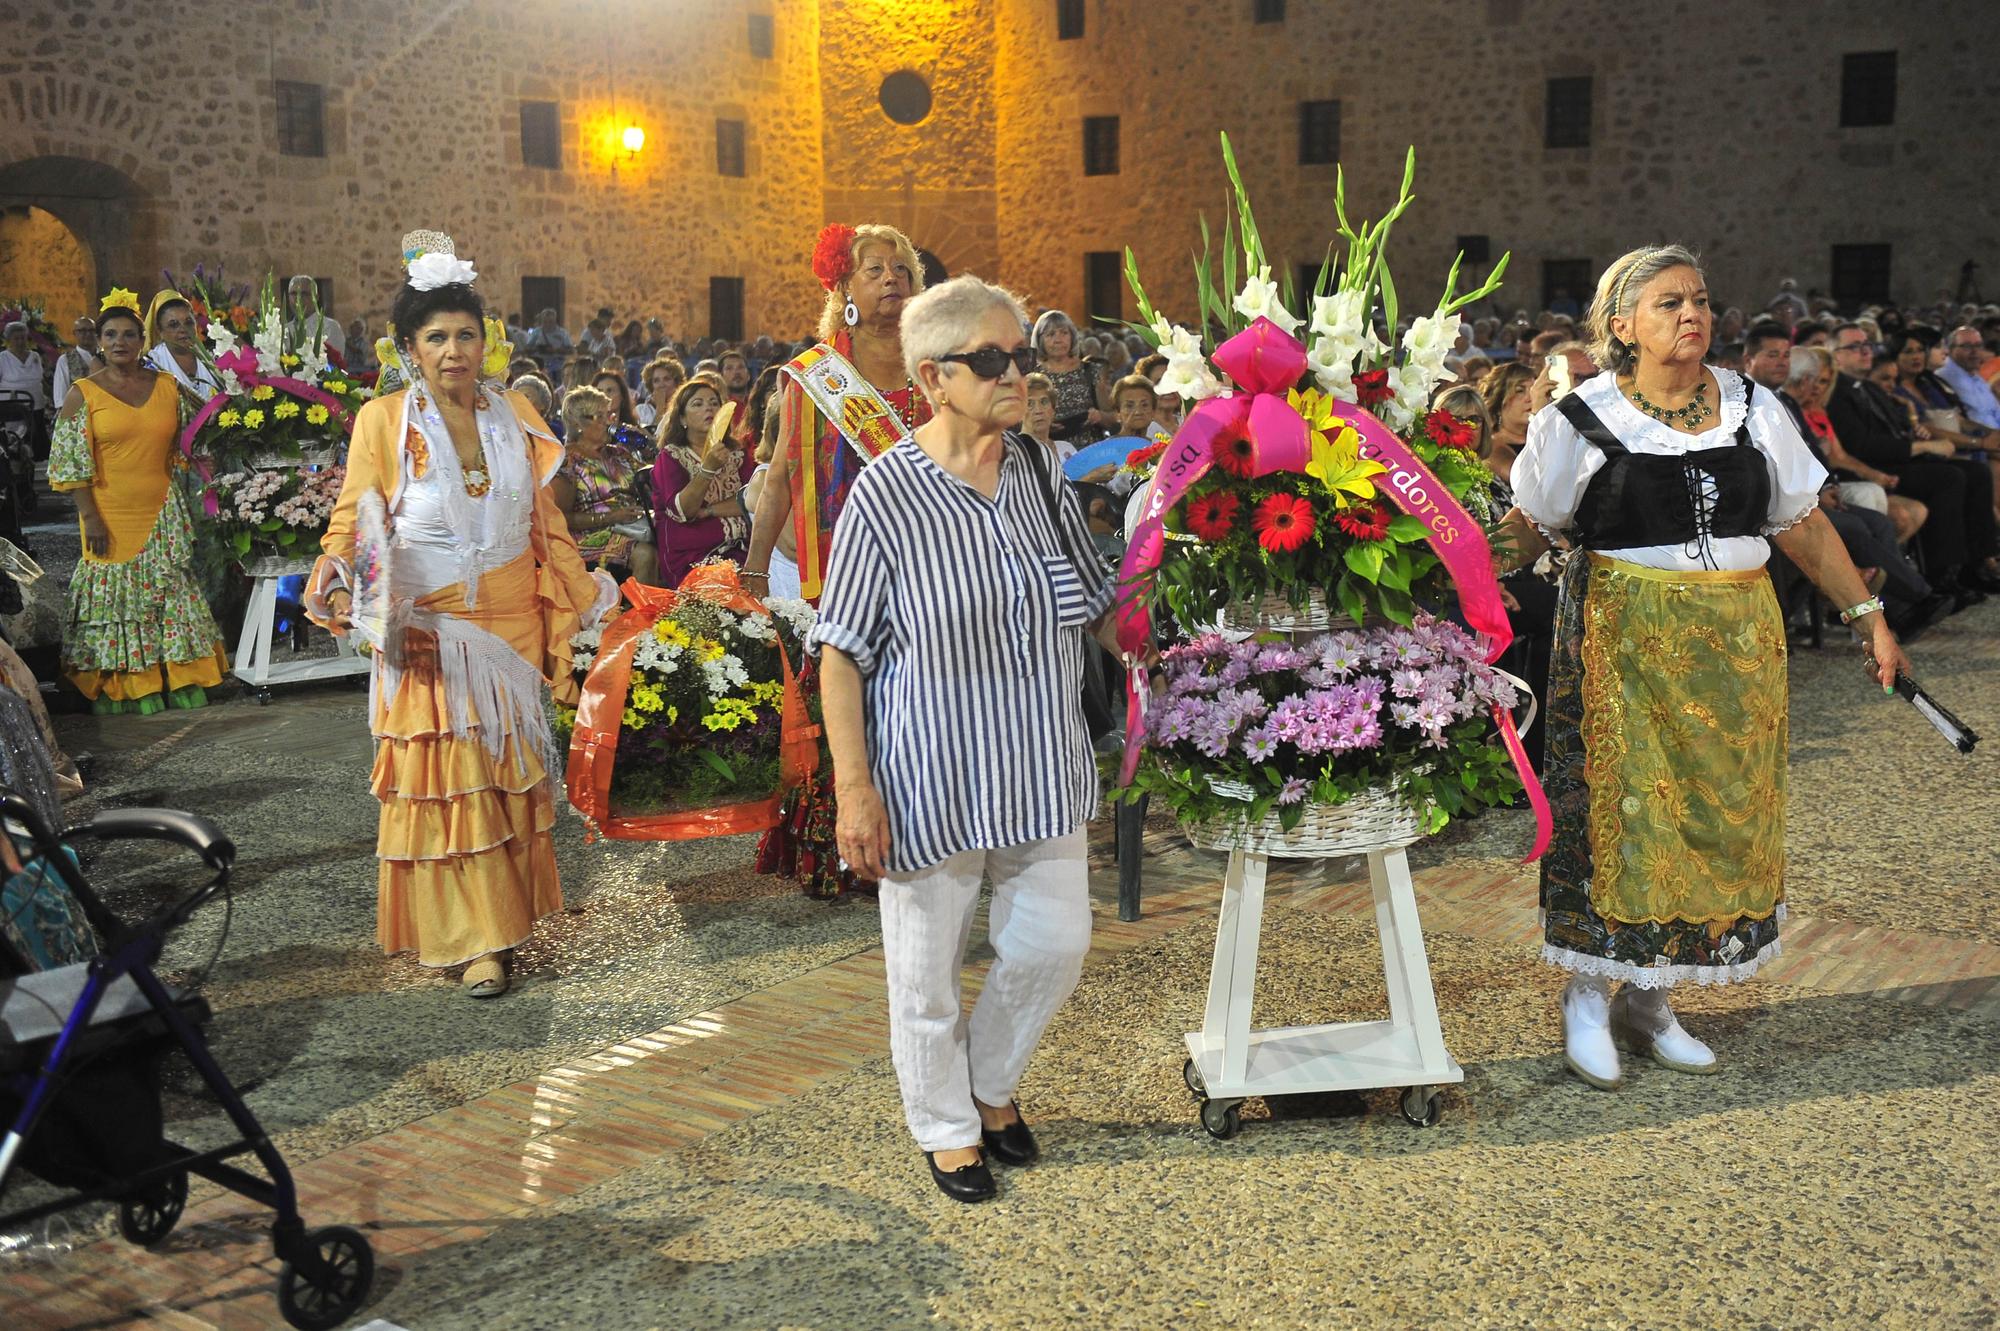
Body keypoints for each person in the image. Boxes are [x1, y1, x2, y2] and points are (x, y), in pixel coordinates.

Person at [1494, 245, 1910, 1091]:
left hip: (1736, 640)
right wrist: (1438, 581)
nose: (1692, 314)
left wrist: (1869, 618)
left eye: (1701, 300)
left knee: (1711, 817)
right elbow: (1527, 528)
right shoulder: (1580, 418)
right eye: (1668, 303)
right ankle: (1585, 990)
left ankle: (1648, 999)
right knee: (1623, 813)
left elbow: (1799, 522)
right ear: (1622, 326)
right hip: (1622, 639)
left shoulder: (1755, 406)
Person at [812, 275, 1113, 1203]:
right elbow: (841, 652)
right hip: (931, 770)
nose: (1018, 372)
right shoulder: (887, 495)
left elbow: (1094, 601)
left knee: (1057, 942)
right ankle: (946, 1125)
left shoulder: (1038, 474)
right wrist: (855, 787)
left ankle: (987, 1083)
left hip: (1041, 760)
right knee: (925, 974)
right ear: (935, 377)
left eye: (1022, 355)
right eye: (995, 360)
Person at [305, 231, 614, 998]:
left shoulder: (514, 413)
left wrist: (586, 604)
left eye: (466, 334)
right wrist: (340, 578)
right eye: (436, 337)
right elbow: (354, 513)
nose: (454, 350)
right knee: (453, 782)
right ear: (409, 347)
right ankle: (477, 939)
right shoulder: (383, 419)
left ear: (487, 341)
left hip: (510, 624)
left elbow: (545, 521)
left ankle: (499, 923)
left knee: (506, 782)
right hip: (427, 628)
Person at [47, 294, 228, 715]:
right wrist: (89, 516)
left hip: (163, 511)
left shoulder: (167, 386)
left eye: (130, 334)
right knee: (115, 606)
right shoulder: (82, 394)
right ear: (100, 341)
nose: (120, 342)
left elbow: (203, 431)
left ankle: (179, 680)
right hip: (108, 515)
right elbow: (70, 463)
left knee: (170, 596)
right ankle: (125, 686)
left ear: (143, 340)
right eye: (111, 334)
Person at [1824, 324, 2000, 597]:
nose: (1865, 351)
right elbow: (1861, 445)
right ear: (1836, 356)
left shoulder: (1868, 388)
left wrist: (1912, 427)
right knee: (1949, 478)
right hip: (1873, 468)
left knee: (1975, 471)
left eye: (1867, 345)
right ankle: (1941, 573)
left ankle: (1976, 564)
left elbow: (1896, 427)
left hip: (1897, 458)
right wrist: (1919, 446)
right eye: (1854, 347)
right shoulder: (1836, 394)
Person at [651, 374, 754, 585]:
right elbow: (683, 511)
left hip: (743, 547)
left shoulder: (737, 454)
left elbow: (751, 500)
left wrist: (708, 510)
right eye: (697, 404)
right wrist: (707, 470)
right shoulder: (671, 456)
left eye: (714, 403)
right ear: (682, 419)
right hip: (692, 556)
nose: (709, 409)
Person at [553, 384, 657, 584]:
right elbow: (560, 518)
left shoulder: (619, 453)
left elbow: (653, 481)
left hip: (632, 526)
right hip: (589, 536)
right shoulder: (567, 460)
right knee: (645, 554)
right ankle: (644, 613)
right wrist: (610, 517)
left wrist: (647, 446)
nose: (610, 421)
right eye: (600, 416)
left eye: (610, 414)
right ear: (577, 423)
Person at [1031, 310, 1109, 446]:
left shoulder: (1091, 371)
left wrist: (1099, 416)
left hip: (1090, 452)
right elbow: (1017, 420)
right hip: (1047, 451)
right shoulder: (1031, 376)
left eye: (1064, 333)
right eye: (1050, 334)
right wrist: (1040, 424)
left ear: (1072, 337)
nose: (1058, 340)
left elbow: (1114, 416)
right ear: (1039, 340)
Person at [142, 292, 220, 403]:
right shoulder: (152, 364)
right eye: (173, 324)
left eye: (188, 322)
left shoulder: (212, 357)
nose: (183, 329)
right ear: (160, 332)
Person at [50, 315, 99, 409]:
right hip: (77, 413)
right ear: (75, 333)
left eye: (92, 330)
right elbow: (60, 396)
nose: (88, 334)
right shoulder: (65, 360)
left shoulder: (106, 357)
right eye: (83, 331)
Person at [635, 356, 685, 433]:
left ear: (677, 383)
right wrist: (660, 408)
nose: (661, 385)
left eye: (667, 379)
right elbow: (653, 437)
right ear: (651, 385)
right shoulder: (641, 410)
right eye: (656, 381)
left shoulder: (685, 409)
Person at [521, 307, 573, 378]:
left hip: (558, 366)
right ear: (542, 321)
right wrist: (538, 348)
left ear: (555, 321)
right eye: (545, 322)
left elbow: (570, 350)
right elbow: (527, 348)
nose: (548, 324)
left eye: (550, 321)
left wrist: (556, 350)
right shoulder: (536, 332)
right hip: (540, 365)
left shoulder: (562, 333)